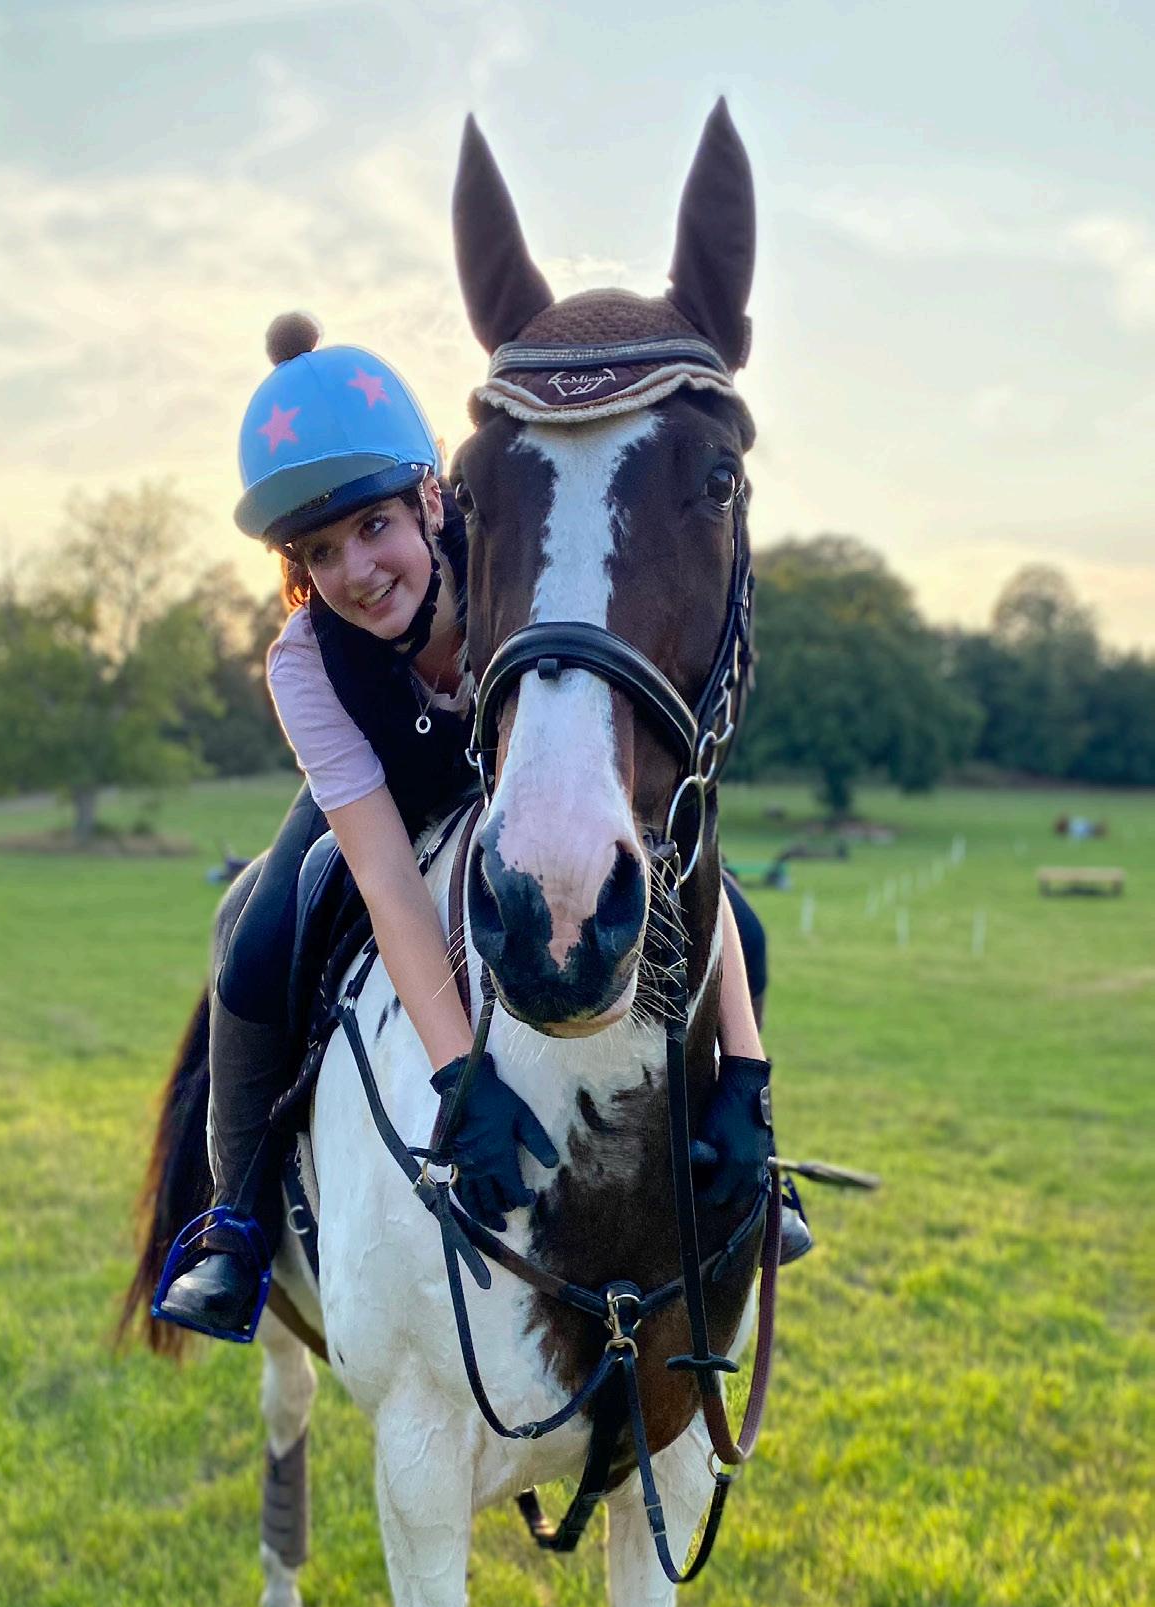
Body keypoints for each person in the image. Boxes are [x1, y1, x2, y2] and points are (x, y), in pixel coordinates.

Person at [158, 313, 800, 1343]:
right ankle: (233, 1223)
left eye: (374, 525)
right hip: (387, 798)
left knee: (740, 923)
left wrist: (749, 1068)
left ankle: (737, 1140)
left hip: (538, 790)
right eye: (320, 552)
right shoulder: (305, 665)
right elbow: (382, 872)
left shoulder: (512, 554)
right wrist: (461, 1078)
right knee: (256, 936)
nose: (358, 571)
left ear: (429, 499)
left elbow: (675, 817)